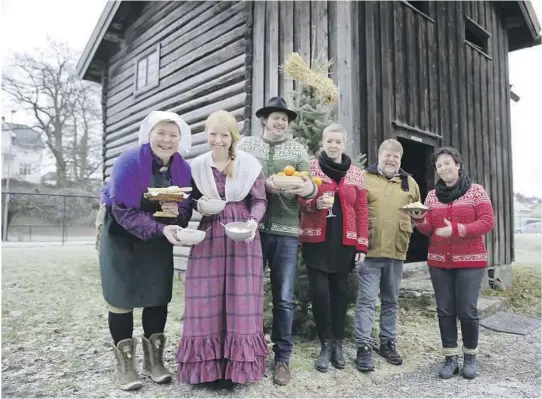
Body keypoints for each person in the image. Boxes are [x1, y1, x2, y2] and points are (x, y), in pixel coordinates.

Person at [99, 110, 193, 391]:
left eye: (172, 135)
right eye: (160, 133)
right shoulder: (129, 162)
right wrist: (161, 226)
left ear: (180, 139)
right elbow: (122, 209)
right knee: (121, 297)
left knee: (156, 296)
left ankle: (155, 362)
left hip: (157, 240)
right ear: (149, 135)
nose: (166, 140)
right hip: (121, 236)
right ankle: (127, 366)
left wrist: (177, 214)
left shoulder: (182, 168)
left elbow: (186, 207)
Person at [176, 110, 269, 386]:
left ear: (232, 137)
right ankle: (207, 370)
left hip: (242, 237)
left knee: (241, 300)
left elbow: (260, 200)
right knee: (206, 299)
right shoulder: (197, 166)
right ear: (207, 135)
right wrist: (197, 205)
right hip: (209, 235)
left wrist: (253, 223)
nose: (218, 140)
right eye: (213, 134)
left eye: (224, 135)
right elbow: (187, 200)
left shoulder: (249, 165)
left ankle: (236, 370)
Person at [237, 96, 317, 385]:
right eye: (275, 117)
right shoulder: (246, 146)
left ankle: (282, 359)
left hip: (285, 232)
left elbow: (309, 189)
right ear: (264, 119)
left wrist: (307, 188)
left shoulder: (296, 149)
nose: (280, 122)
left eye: (284, 118)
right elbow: (236, 179)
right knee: (250, 296)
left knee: (283, 299)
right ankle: (253, 353)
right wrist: (263, 184)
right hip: (252, 230)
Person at [409, 147, 495, 380]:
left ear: (457, 164)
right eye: (439, 165)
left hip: (470, 261)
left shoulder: (477, 191)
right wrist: (418, 220)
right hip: (439, 262)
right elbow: (429, 230)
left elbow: (487, 222)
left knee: (467, 310)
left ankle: (470, 356)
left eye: (447, 163)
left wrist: (457, 229)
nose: (443, 168)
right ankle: (450, 357)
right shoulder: (431, 196)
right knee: (445, 310)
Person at [298, 123, 369, 373]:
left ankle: (337, 342)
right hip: (317, 239)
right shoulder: (311, 167)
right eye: (329, 141)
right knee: (319, 293)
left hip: (344, 241)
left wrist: (362, 243)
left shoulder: (356, 174)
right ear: (323, 142)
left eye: (338, 141)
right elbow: (301, 197)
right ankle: (324, 343)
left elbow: (361, 209)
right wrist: (314, 204)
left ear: (344, 144)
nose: (333, 145)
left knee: (340, 292)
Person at [354, 138, 421, 372]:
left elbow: (417, 212)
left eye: (396, 156)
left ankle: (387, 343)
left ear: (400, 160)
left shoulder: (410, 183)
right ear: (379, 155)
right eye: (387, 155)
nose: (391, 159)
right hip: (369, 251)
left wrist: (418, 218)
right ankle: (363, 346)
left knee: (391, 301)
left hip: (396, 251)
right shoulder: (363, 178)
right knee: (367, 301)